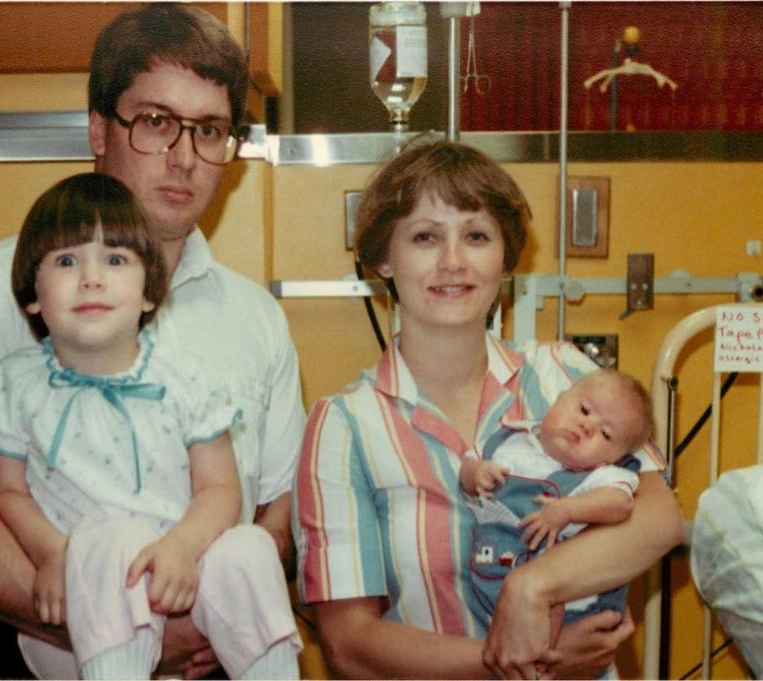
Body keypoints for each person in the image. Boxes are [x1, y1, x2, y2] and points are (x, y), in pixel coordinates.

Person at [0, 6, 306, 679]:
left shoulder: (255, 317)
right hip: (36, 647)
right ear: (98, 128)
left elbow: (280, 510)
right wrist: (102, 617)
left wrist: (222, 612)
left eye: (210, 130)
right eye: (157, 121)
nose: (185, 157)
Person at [291, 138, 683, 679]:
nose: (453, 261)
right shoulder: (343, 427)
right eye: (425, 237)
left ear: (504, 258)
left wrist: (532, 586)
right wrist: (527, 664)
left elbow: (661, 517)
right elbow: (350, 646)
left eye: (476, 236)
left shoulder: (567, 375)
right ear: (383, 256)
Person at [0, 172, 300, 679]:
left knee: (249, 546)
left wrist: (182, 547)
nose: (91, 277)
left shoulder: (189, 379)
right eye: (66, 260)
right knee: (113, 538)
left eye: (115, 259)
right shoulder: (15, 385)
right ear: (31, 295)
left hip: (182, 595)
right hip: (73, 621)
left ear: (150, 292)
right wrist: (54, 556)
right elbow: (6, 492)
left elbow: (219, 489)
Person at [460, 369, 653, 644]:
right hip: (491, 572)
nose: (587, 427)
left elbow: (619, 503)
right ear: (560, 397)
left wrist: (567, 511)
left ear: (615, 457)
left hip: (561, 597)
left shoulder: (600, 475)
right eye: (584, 410)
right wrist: (476, 473)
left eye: (606, 434)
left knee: (550, 607)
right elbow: (466, 470)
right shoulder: (510, 440)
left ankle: (543, 656)